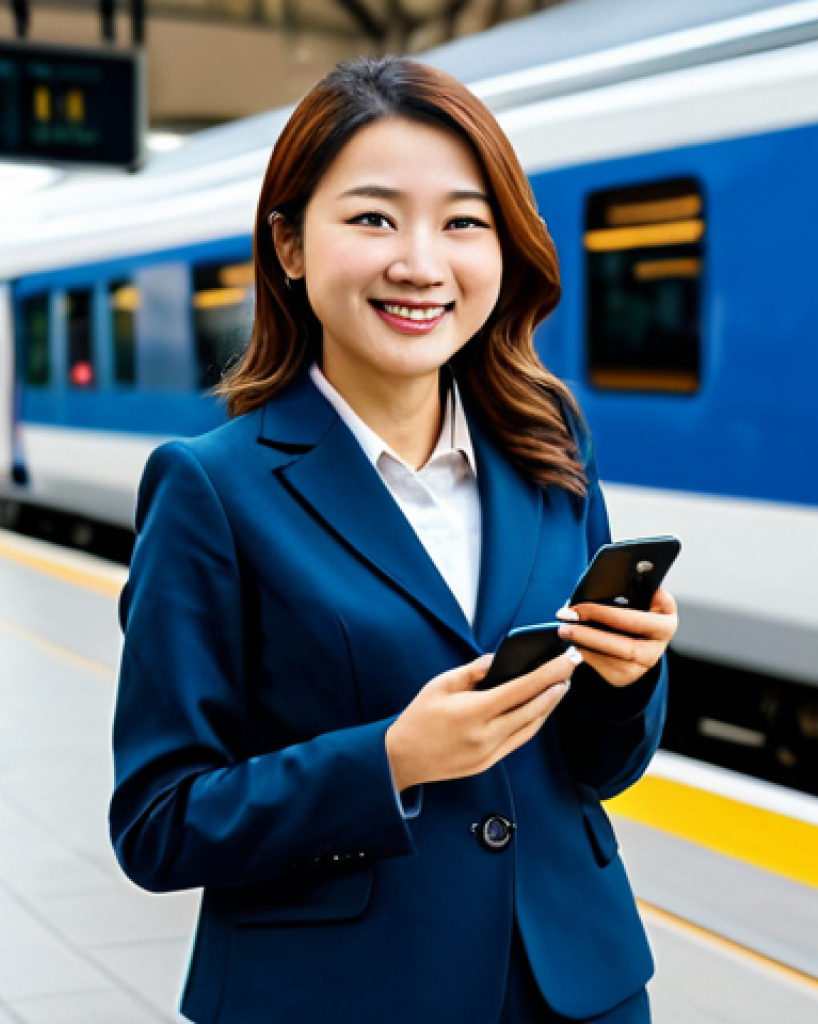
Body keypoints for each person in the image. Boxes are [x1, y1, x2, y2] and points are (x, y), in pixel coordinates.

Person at [110, 56, 678, 1024]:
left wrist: (627, 686)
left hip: (576, 990)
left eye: (463, 221)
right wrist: (391, 760)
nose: (420, 262)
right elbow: (158, 822)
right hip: (342, 997)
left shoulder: (550, 448)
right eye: (372, 218)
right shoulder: (210, 486)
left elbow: (595, 769)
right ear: (288, 245)